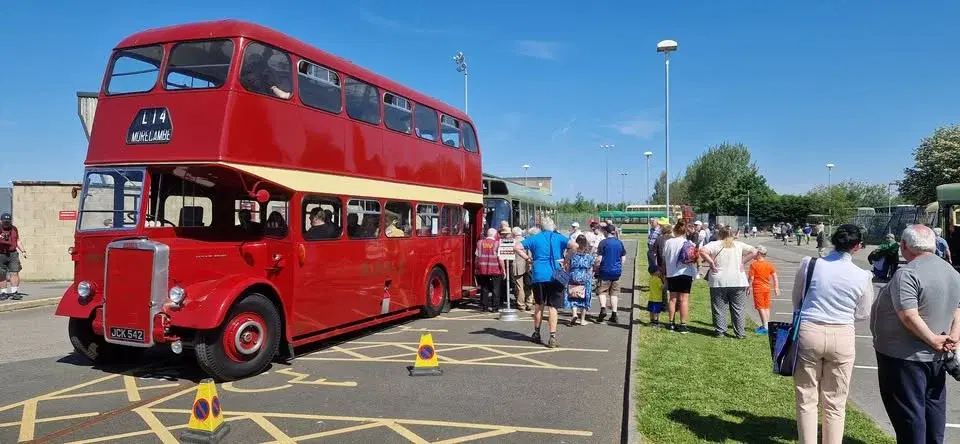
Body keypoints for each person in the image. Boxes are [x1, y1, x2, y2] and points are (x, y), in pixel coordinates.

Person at [870, 225, 960, 444]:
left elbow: (909, 315)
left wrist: (932, 339)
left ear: (903, 245)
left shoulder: (908, 273)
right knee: (933, 408)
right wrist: (953, 337)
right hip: (937, 356)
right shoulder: (952, 272)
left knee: (908, 415)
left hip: (905, 357)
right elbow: (958, 308)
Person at [791, 224, 874, 444]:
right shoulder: (863, 275)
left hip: (810, 329)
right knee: (836, 401)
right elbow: (864, 313)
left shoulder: (810, 264)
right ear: (857, 247)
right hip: (843, 333)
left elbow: (796, 300)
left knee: (806, 397)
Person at [515, 217, 577, 348]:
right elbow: (575, 246)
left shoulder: (534, 238)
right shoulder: (558, 237)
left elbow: (517, 247)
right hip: (555, 275)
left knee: (539, 305)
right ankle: (552, 337)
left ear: (541, 227)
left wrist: (528, 258)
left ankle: (536, 333)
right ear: (553, 226)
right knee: (553, 307)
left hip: (539, 275)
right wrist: (565, 259)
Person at [699, 226, 757, 338]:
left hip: (718, 280)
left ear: (720, 234)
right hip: (737, 280)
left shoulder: (714, 244)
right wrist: (743, 262)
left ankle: (720, 330)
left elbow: (702, 251)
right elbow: (754, 251)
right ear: (732, 235)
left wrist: (711, 262)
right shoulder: (738, 244)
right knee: (738, 308)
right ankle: (740, 333)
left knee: (719, 306)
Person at [663, 219, 697, 333]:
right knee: (684, 300)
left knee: (672, 299)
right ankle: (683, 324)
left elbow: (665, 257)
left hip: (671, 273)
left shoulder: (668, 242)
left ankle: (671, 323)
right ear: (685, 231)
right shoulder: (689, 243)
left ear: (675, 231)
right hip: (685, 273)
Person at [596, 224, 627, 324]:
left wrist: (596, 267)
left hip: (604, 271)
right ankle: (614, 313)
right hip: (616, 272)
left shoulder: (603, 243)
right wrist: (618, 265)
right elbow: (623, 258)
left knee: (601, 291)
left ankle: (603, 309)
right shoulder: (619, 243)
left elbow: (599, 259)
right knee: (614, 293)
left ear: (606, 232)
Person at [746, 245, 779, 334]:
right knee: (766, 307)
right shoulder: (769, 264)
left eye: (755, 253)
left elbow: (751, 278)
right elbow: (775, 276)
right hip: (767, 288)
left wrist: (749, 287)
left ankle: (765, 327)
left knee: (760, 308)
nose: (753, 255)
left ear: (759, 254)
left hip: (758, 288)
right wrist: (776, 287)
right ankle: (766, 325)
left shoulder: (754, 265)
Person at [565, 235, 595, 326]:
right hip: (585, 276)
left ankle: (574, 314)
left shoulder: (572, 255)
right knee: (585, 297)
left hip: (573, 275)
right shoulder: (589, 256)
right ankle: (582, 319)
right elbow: (591, 268)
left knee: (573, 295)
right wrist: (591, 277)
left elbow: (568, 267)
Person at [475, 228, 506, 312]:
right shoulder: (497, 243)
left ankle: (484, 306)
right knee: (496, 288)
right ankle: (495, 307)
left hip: (483, 269)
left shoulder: (480, 243)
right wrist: (503, 270)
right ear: (495, 235)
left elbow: (477, 258)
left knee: (484, 288)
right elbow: (500, 259)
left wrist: (476, 268)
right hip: (495, 269)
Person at [0, 213, 26, 300]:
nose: (6, 223)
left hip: (12, 253)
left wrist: (23, 251)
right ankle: (3, 293)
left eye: (8, 222)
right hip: (1, 253)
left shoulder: (14, 228)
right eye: (5, 222)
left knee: (15, 272)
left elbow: (17, 240)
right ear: (1, 221)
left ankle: (14, 292)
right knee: (1, 274)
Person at [511, 227, 533, 311]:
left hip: (517, 266)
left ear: (513, 234)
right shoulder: (526, 240)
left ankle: (521, 304)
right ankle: (529, 303)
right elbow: (530, 254)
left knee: (519, 286)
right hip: (527, 264)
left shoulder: (513, 242)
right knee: (528, 285)